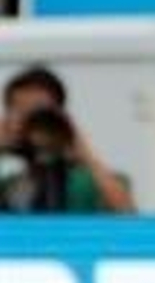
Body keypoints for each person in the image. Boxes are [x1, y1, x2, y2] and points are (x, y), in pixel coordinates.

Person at [0, 65, 135, 214]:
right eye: (21, 111)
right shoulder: (9, 186)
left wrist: (81, 147)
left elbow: (127, 214)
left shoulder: (91, 183)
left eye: (39, 111)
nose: (30, 122)